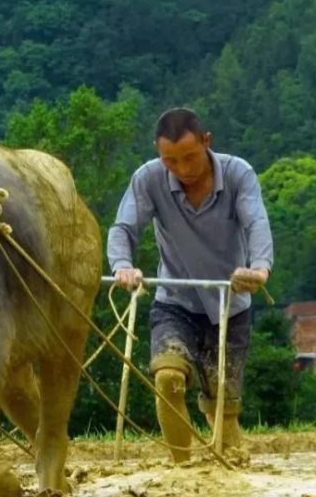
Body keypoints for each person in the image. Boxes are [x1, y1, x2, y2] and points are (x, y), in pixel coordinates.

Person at [107, 107, 273, 462]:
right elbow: (124, 228)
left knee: (222, 414)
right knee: (167, 379)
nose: (182, 169)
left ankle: (229, 464)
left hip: (230, 305)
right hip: (174, 301)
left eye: (190, 157)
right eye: (170, 161)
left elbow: (256, 222)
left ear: (206, 142)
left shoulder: (238, 173)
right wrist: (123, 266)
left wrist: (259, 269)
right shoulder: (148, 179)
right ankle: (181, 469)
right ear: (158, 153)